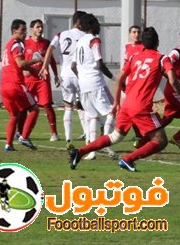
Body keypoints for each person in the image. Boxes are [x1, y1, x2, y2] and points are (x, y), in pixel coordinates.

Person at [68, 26, 180, 172]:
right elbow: (173, 81)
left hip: (127, 104)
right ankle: (128, 159)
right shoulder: (162, 59)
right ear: (158, 42)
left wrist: (116, 102)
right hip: (141, 106)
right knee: (161, 140)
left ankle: (79, 152)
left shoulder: (134, 57)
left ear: (143, 43)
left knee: (115, 136)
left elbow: (119, 79)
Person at [136, 27, 180, 151]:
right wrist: (178, 81)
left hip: (174, 91)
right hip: (173, 91)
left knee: (167, 119)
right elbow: (164, 68)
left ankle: (141, 142)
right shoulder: (177, 52)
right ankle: (178, 137)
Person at [72, 13, 117, 160]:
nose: (99, 26)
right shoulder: (94, 40)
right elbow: (99, 64)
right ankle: (105, 143)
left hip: (83, 85)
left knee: (93, 117)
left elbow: (73, 66)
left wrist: (82, 77)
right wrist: (114, 78)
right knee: (113, 111)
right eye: (97, 23)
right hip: (96, 83)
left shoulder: (80, 41)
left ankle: (92, 152)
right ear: (91, 25)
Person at [41, 11, 88, 145]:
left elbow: (50, 48)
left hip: (66, 75)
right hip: (79, 74)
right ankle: (89, 136)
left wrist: (44, 66)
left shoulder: (61, 34)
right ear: (79, 22)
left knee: (68, 106)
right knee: (83, 106)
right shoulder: (85, 36)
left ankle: (68, 139)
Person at [0, 19, 44, 151]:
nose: (25, 33)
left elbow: (18, 65)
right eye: (22, 30)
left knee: (14, 115)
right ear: (14, 31)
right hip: (15, 84)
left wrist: (34, 71)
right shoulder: (16, 44)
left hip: (4, 86)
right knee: (34, 109)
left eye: (25, 30)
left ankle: (8, 144)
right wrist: (37, 60)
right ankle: (24, 136)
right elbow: (20, 64)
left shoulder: (8, 45)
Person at [24, 20, 59, 141]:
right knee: (24, 107)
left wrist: (56, 75)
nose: (40, 29)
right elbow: (20, 61)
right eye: (37, 27)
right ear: (32, 29)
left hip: (42, 79)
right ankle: (22, 132)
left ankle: (54, 133)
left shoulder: (46, 43)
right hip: (28, 79)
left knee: (47, 105)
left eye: (41, 27)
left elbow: (51, 60)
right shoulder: (25, 43)